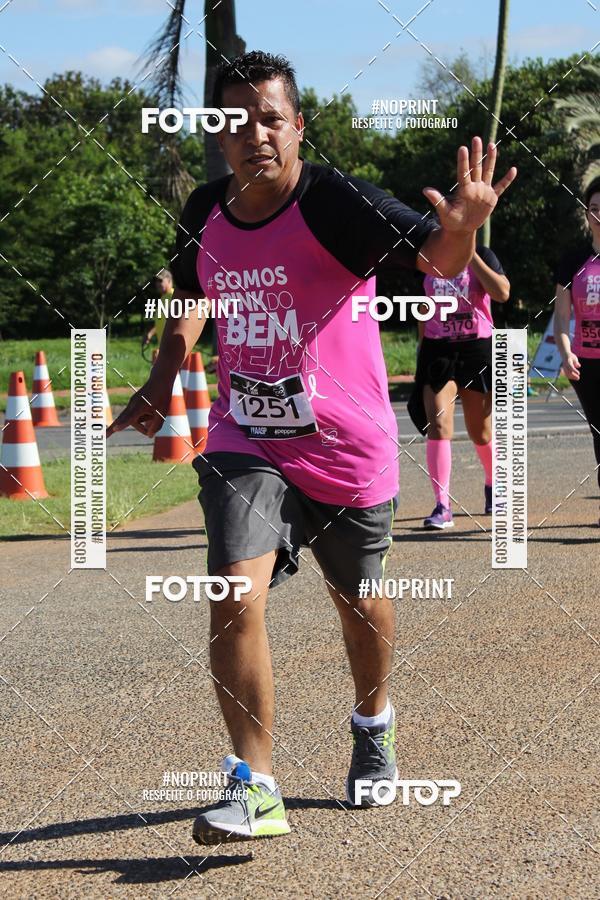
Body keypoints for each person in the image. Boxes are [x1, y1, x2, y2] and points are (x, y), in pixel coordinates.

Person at [108, 50, 516, 843]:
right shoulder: (205, 207)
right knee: (233, 594)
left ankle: (373, 723)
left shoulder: (335, 201)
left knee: (359, 603)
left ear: (299, 126)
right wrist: (164, 376)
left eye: (270, 117)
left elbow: (434, 256)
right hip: (245, 439)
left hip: (346, 446)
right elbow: (194, 291)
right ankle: (255, 785)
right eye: (236, 120)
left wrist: (463, 228)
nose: (254, 133)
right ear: (218, 135)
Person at [410, 248, 510, 529]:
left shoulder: (485, 256)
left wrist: (471, 256)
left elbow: (503, 293)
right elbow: (422, 305)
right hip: (437, 349)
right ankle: (443, 506)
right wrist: (421, 348)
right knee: (439, 424)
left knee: (480, 431)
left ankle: (494, 483)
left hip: (476, 348)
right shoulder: (427, 255)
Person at [554, 177, 600, 525]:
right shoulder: (572, 259)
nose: (599, 216)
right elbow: (562, 318)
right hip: (587, 362)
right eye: (594, 209)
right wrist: (567, 352)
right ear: (586, 214)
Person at [142, 269, 174, 348]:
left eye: (160, 281)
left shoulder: (174, 296)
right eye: (156, 281)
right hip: (164, 347)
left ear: (169, 280)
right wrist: (150, 334)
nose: (157, 284)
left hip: (173, 347)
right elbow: (162, 322)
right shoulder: (163, 298)